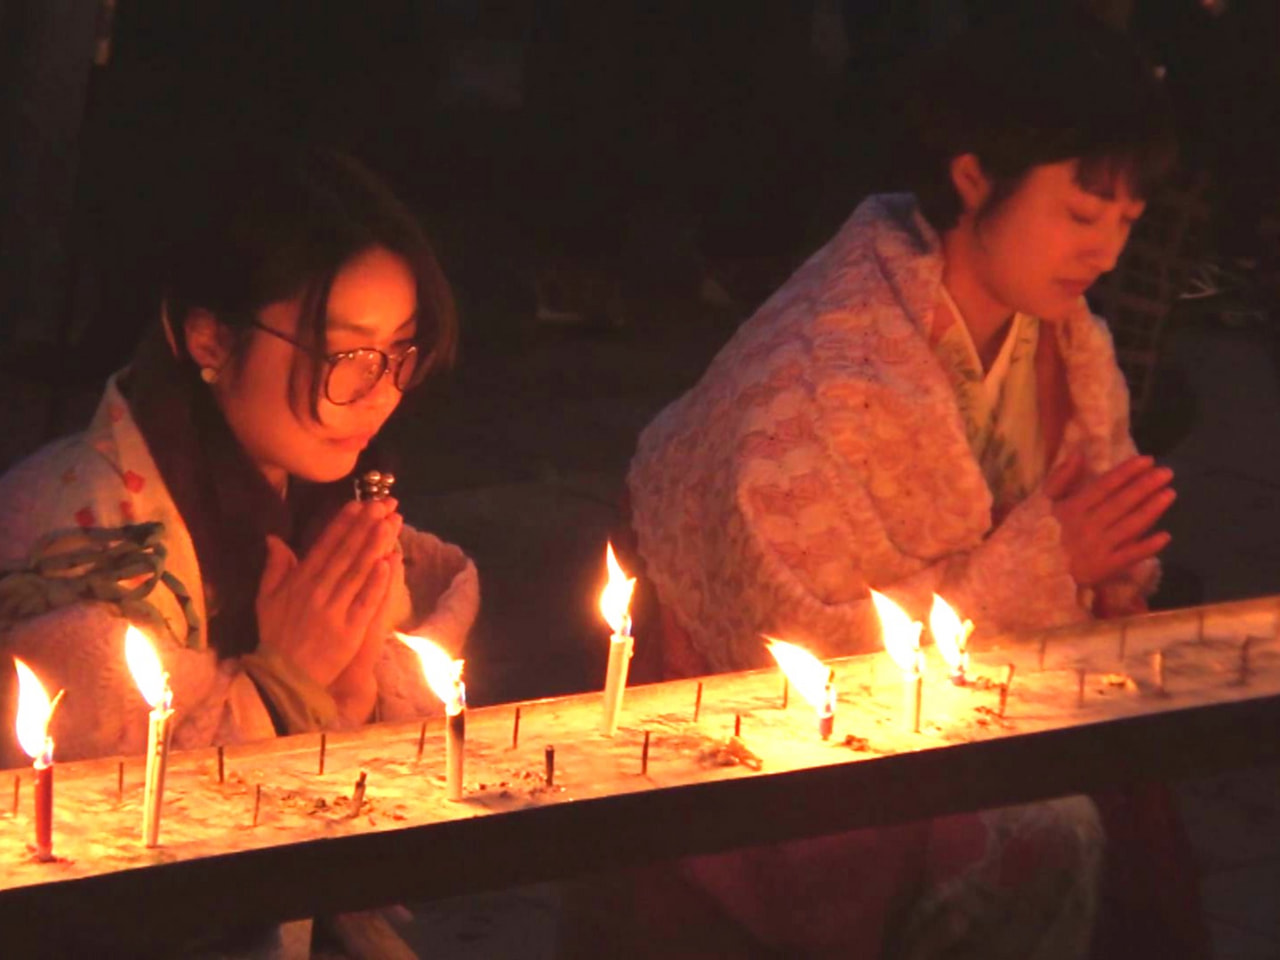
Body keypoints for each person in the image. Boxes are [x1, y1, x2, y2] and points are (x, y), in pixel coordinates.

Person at [597, 11, 1207, 959]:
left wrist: (1101, 572)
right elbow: (803, 649)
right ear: (973, 177)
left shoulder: (1065, 343)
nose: (1107, 254)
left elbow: (1095, 542)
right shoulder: (822, 368)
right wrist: (1049, 562)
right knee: (1049, 834)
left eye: (1126, 221)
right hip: (793, 750)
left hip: (990, 700)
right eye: (1082, 215)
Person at [0, 143, 478, 952]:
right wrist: (279, 688)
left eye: (400, 351)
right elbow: (92, 847)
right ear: (209, 340)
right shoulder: (74, 544)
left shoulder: (325, 497)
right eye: (345, 356)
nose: (382, 393)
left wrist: (356, 694)